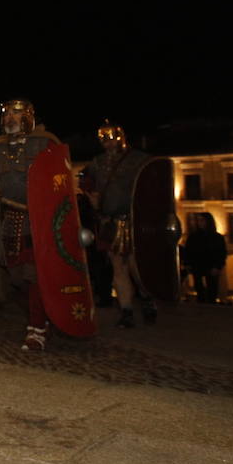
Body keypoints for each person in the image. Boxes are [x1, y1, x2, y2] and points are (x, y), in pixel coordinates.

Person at [0, 98, 63, 351]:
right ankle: (42, 317)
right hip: (10, 218)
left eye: (16, 114)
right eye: (6, 114)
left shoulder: (46, 143)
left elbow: (60, 178)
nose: (9, 118)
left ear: (28, 116)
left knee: (34, 275)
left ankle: (37, 328)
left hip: (38, 219)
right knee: (16, 276)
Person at [82, 121, 155, 328]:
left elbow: (152, 185)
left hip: (135, 221)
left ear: (120, 136)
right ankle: (127, 311)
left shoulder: (139, 160)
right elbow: (86, 182)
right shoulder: (98, 162)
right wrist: (92, 197)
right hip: (110, 221)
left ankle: (147, 298)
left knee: (136, 266)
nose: (106, 142)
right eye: (102, 138)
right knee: (118, 267)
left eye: (110, 137)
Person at [184, 212, 226, 304]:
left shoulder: (217, 237)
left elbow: (221, 253)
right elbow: (188, 251)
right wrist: (187, 264)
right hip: (197, 266)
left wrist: (218, 267)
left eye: (202, 220)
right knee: (199, 289)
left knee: (212, 290)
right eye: (198, 220)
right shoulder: (193, 237)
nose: (199, 223)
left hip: (212, 267)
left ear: (208, 221)